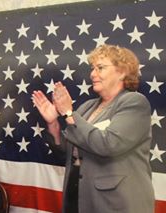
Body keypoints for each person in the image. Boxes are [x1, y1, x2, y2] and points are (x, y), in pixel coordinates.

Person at [32, 44, 155, 213]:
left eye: (100, 68)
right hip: (80, 199)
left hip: (116, 204)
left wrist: (68, 112)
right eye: (92, 68)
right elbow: (66, 155)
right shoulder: (87, 107)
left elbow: (109, 145)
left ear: (122, 72)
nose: (93, 74)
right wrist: (53, 123)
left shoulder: (134, 103)